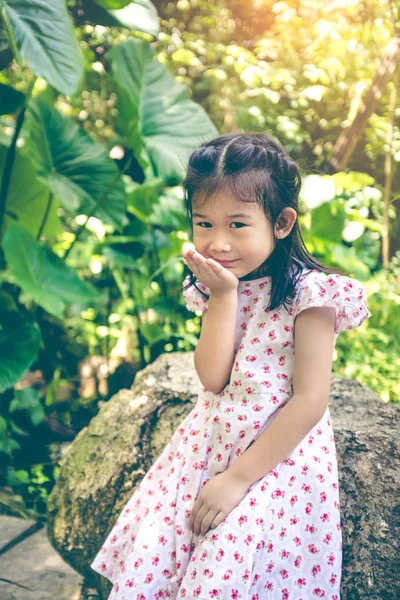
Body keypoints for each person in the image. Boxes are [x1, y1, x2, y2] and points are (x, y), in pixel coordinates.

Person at [90, 132, 372, 599]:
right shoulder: (218, 282)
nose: (218, 242)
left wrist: (238, 479)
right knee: (172, 559)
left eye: (237, 224)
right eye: (204, 223)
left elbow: (310, 401)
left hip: (273, 460)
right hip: (207, 447)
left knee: (225, 575)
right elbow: (213, 378)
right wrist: (222, 297)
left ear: (281, 222)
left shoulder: (311, 294)